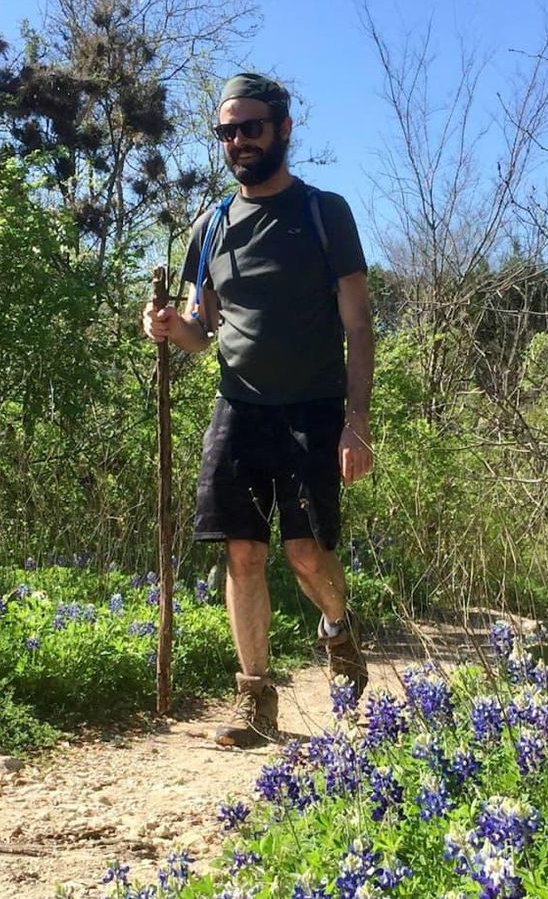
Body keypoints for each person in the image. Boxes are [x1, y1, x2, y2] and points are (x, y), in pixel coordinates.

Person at [142, 72, 375, 748]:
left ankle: (338, 626)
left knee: (305, 553)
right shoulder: (210, 226)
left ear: (283, 130)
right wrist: (163, 326)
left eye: (251, 127)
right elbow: (198, 330)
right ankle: (255, 704)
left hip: (313, 406)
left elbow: (359, 326)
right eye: (227, 131)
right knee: (243, 553)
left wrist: (356, 422)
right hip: (238, 406)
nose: (238, 141)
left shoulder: (324, 214)